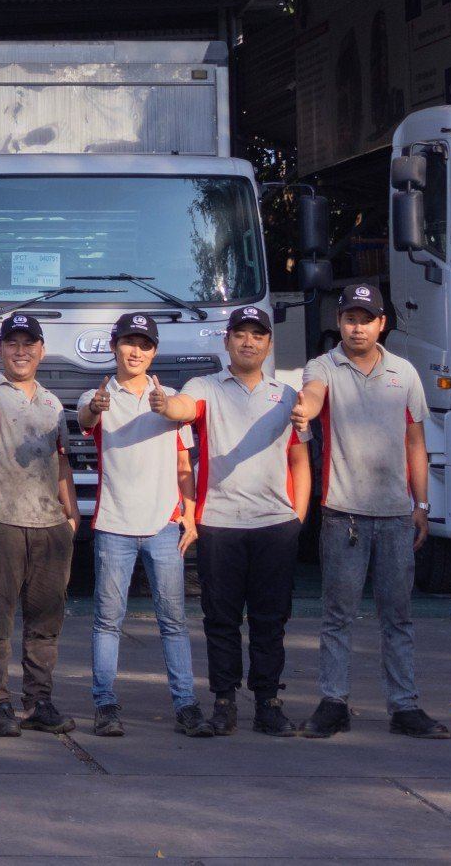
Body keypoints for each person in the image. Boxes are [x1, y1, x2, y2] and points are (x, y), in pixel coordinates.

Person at [154, 304, 322, 737]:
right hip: (220, 523)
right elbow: (183, 408)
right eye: (241, 334)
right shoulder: (205, 386)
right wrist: (164, 403)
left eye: (257, 335)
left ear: (269, 343)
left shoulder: (287, 396)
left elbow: (300, 460)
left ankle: (268, 703)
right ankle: (224, 702)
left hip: (275, 525)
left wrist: (297, 518)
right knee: (221, 619)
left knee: (271, 621)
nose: (249, 342)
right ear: (227, 340)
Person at [302, 283, 445, 741]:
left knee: (397, 616)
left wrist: (422, 505)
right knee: (337, 616)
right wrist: (303, 410)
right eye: (350, 319)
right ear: (339, 322)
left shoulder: (405, 372)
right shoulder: (323, 366)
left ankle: (405, 707)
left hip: (397, 515)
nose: (357, 328)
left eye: (366, 319)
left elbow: (416, 442)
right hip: (343, 513)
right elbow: (313, 396)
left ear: (382, 323)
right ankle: (333, 703)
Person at [79, 310, 201, 737]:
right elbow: (86, 419)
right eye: (129, 343)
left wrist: (189, 514)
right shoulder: (98, 394)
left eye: (145, 345)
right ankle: (105, 704)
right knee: (107, 621)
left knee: (174, 621)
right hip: (114, 525)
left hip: (164, 526)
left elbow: (184, 464)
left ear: (154, 353)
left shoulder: (170, 397)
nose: (136, 351)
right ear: (114, 347)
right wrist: (95, 408)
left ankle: (186, 705)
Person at [0, 313, 77, 737]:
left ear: (41, 351)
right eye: (12, 343)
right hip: (3, 521)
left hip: (50, 525)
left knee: (45, 622)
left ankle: (38, 701)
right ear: (0, 350)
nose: (21, 351)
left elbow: (61, 460)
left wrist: (71, 514)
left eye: (29, 343)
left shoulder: (52, 402)